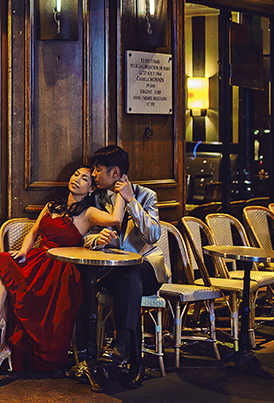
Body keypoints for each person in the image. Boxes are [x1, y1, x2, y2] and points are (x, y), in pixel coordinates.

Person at [0, 165, 126, 375]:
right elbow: (34, 232)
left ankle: (0, 348)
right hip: (37, 257)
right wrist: (24, 251)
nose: (77, 180)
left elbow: (116, 219)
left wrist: (122, 193)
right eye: (76, 175)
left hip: (61, 268)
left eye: (84, 179)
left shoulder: (89, 213)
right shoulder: (52, 205)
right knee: (2, 261)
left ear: (91, 190)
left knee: (19, 289)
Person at [84, 145, 165, 388]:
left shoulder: (146, 195)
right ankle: (132, 360)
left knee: (132, 276)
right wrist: (96, 240)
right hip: (111, 269)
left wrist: (131, 202)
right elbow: (85, 234)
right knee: (129, 284)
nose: (94, 174)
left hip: (148, 269)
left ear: (115, 172)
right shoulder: (97, 199)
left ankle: (121, 350)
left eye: (98, 170)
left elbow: (153, 235)